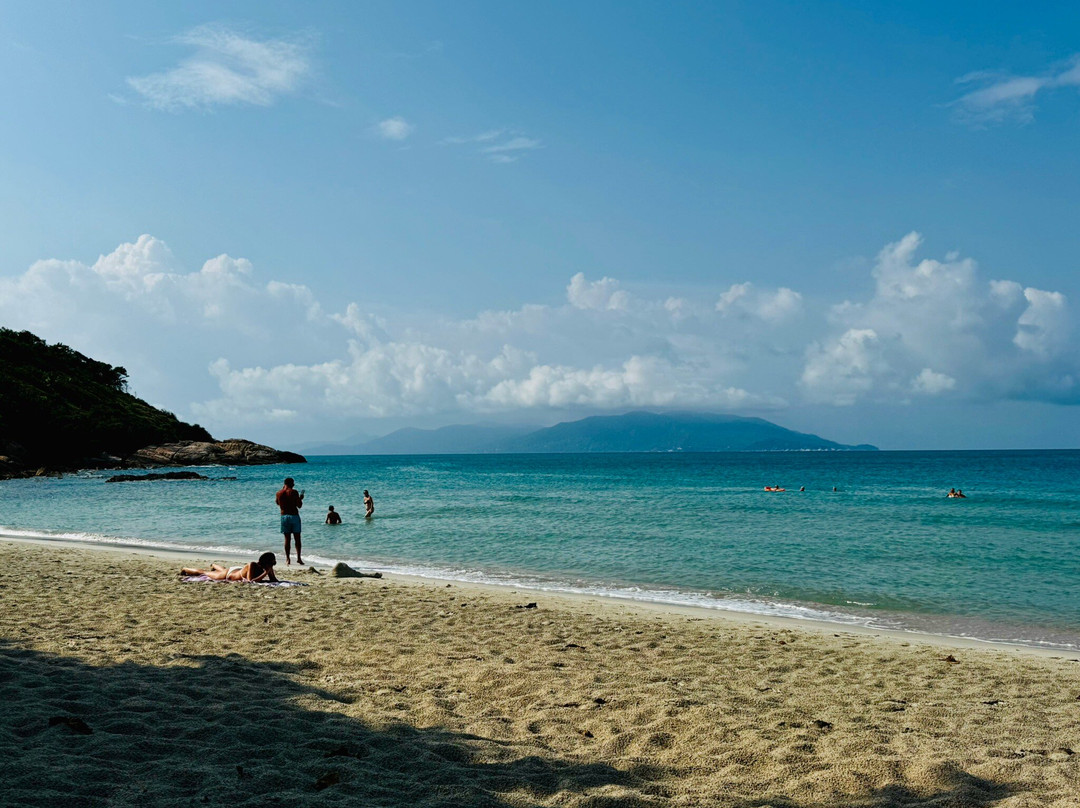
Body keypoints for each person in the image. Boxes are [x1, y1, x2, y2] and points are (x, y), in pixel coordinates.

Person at [181, 552, 279, 583]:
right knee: (204, 572)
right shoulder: (252, 564)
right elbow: (250, 581)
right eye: (270, 564)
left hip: (237, 570)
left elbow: (274, 580)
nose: (271, 566)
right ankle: (185, 569)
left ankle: (214, 565)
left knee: (223, 569)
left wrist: (269, 572)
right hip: (229, 574)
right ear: (265, 562)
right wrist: (265, 573)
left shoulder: (268, 566)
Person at [276, 477, 305, 566]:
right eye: (293, 483)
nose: (294, 485)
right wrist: (300, 498)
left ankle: (288, 559)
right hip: (294, 516)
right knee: (297, 538)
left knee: (287, 539)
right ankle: (299, 558)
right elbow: (299, 505)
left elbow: (278, 503)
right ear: (291, 483)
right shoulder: (294, 492)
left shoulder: (279, 493)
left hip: (284, 516)